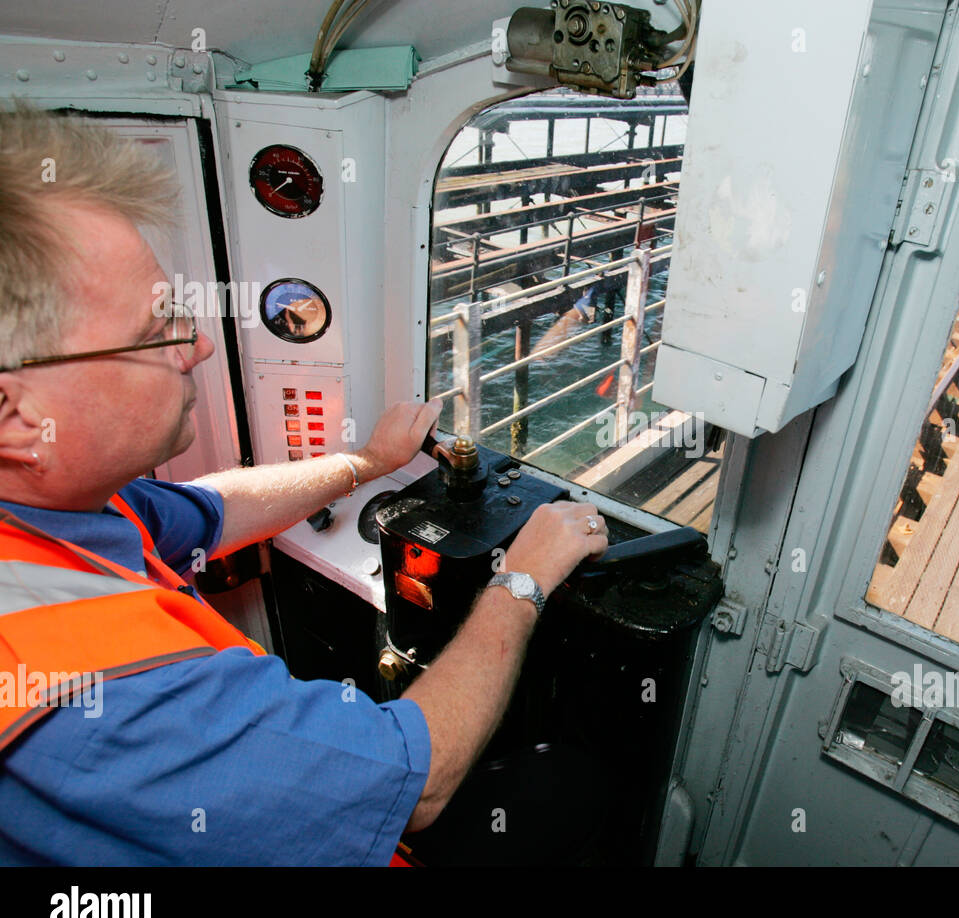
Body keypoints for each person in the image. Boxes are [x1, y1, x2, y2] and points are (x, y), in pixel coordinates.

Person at [0, 104, 608, 864]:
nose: (198, 347)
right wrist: (521, 581)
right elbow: (419, 784)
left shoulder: (57, 513)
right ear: (15, 417)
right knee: (573, 784)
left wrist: (367, 464)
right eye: (156, 333)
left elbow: (213, 509)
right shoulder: (98, 694)